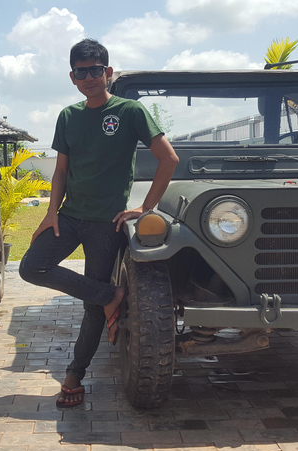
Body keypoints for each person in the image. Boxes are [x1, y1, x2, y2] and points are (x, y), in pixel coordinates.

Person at [19, 38, 179, 408]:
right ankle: (112, 295)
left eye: (95, 70)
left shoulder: (130, 111)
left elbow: (167, 159)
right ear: (72, 77)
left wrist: (145, 207)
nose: (89, 77)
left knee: (92, 304)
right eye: (81, 71)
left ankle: (74, 374)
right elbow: (61, 170)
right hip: (70, 218)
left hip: (106, 224)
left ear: (108, 72)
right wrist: (51, 211)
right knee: (31, 267)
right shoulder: (69, 116)